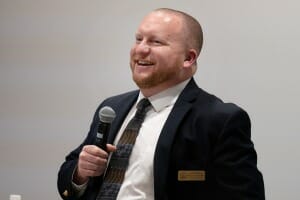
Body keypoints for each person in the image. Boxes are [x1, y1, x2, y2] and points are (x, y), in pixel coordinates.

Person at [57, 8, 265, 200]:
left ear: (188, 58)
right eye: (138, 39)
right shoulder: (113, 107)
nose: (141, 49)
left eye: (156, 42)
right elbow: (69, 177)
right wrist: (82, 172)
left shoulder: (218, 119)